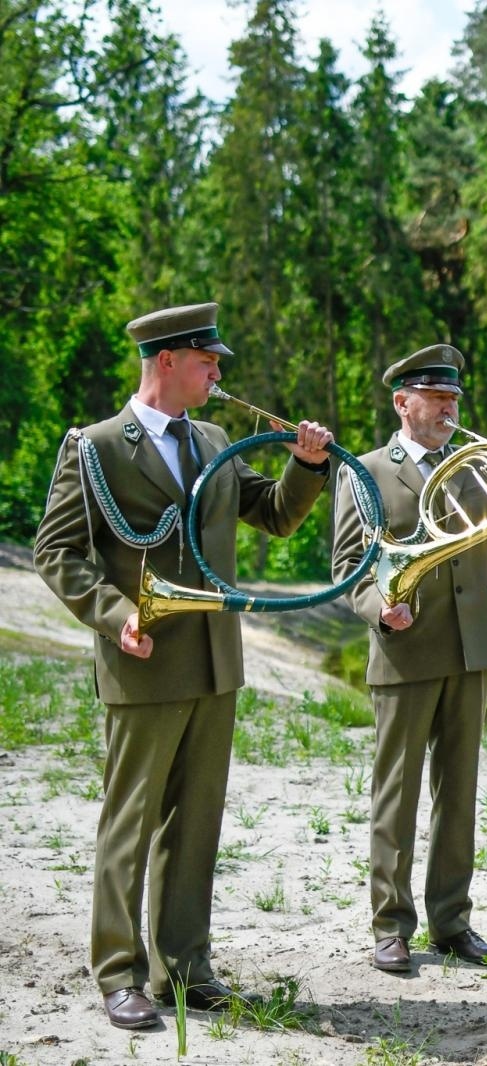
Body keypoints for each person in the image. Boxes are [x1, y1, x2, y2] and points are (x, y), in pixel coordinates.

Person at [33, 302, 332, 1029]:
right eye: (208, 359)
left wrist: (307, 465)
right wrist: (114, 615)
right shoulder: (98, 446)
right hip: (144, 661)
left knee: (196, 825)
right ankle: (117, 972)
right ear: (166, 360)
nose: (218, 371)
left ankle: (185, 968)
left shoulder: (215, 438)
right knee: (129, 822)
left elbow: (275, 513)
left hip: (214, 664)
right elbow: (56, 551)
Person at [330, 344, 487, 973]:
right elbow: (349, 569)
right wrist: (380, 609)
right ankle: (390, 926)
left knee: (459, 793)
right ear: (403, 403)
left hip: (470, 646)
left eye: (455, 397)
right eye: (437, 397)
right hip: (405, 647)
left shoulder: (479, 467)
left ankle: (452, 922)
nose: (450, 407)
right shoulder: (366, 470)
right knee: (395, 793)